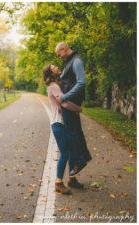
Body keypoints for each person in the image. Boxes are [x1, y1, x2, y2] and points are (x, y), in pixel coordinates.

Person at [43, 64, 84, 194]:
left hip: (64, 122)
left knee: (72, 150)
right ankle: (58, 182)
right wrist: (78, 109)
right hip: (58, 123)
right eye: (54, 67)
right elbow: (64, 103)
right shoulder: (53, 86)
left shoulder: (57, 85)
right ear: (50, 73)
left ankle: (71, 178)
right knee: (65, 152)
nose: (57, 67)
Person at [55, 42, 91, 176]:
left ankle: (79, 161)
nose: (59, 57)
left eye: (59, 54)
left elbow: (81, 82)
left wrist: (64, 97)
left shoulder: (76, 61)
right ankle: (84, 156)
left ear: (64, 49)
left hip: (69, 102)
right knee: (77, 131)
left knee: (72, 134)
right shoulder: (70, 61)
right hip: (70, 103)